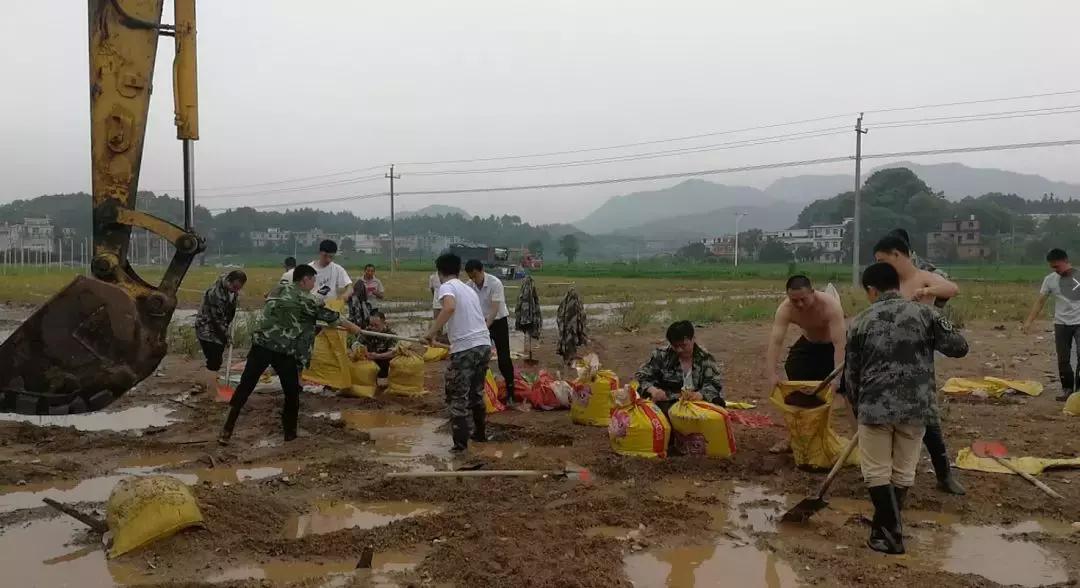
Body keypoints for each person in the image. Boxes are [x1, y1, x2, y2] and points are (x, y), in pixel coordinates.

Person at [844, 262, 968, 555]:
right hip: (917, 407)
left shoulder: (860, 322)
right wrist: (938, 315)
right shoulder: (926, 314)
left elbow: (851, 375)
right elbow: (959, 347)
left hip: (874, 406)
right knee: (902, 470)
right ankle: (885, 531)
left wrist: (858, 406)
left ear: (871, 290)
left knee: (876, 471)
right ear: (897, 286)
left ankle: (890, 533)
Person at [219, 264, 362, 445]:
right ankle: (290, 435)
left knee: (245, 387)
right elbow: (332, 317)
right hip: (283, 351)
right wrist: (354, 328)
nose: (314, 284)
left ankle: (226, 430)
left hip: (261, 345)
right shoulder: (306, 299)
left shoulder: (278, 289)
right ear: (305, 280)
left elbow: (272, 301)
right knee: (292, 393)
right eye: (313, 280)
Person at [873, 234, 966, 495]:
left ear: (897, 255)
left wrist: (926, 292)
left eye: (883, 260)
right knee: (886, 412)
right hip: (887, 354)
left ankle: (944, 475)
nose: (881, 265)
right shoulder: (886, 282)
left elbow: (952, 289)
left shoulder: (922, 277)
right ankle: (886, 474)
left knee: (926, 414)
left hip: (917, 357)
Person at [423, 253, 492, 452]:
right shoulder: (468, 289)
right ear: (459, 270)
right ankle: (479, 434)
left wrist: (430, 333)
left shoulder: (446, 287)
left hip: (466, 349)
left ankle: (460, 445)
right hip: (483, 344)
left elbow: (450, 308)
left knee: (457, 396)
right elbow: (465, 319)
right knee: (476, 393)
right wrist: (439, 337)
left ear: (439, 272)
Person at [1022, 248, 1080, 401]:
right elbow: (1040, 301)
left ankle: (1078, 392)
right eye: (1052, 267)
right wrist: (1029, 321)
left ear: (1066, 261)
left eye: (1057, 267)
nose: (1055, 270)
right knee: (1063, 359)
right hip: (1061, 324)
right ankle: (1067, 389)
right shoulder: (1050, 280)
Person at [635, 321, 725, 416]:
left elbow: (714, 383)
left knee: (718, 405)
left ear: (693, 339)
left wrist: (700, 394)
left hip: (696, 403)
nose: (679, 350)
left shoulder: (705, 358)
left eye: (683, 345)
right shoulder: (661, 355)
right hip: (668, 401)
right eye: (675, 346)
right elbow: (643, 376)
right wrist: (654, 391)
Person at [464, 259, 517, 406]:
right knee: (479, 358)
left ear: (481, 271)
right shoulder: (469, 286)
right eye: (470, 277)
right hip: (480, 323)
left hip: (498, 322)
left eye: (475, 275)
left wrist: (485, 326)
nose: (473, 279)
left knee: (504, 358)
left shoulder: (495, 283)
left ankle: (511, 392)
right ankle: (479, 393)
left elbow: (494, 309)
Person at [194, 270, 247, 392]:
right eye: (234, 287)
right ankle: (211, 389)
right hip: (207, 328)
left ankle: (203, 383)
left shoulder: (230, 288)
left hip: (219, 327)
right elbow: (217, 319)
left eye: (238, 288)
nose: (236, 291)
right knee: (214, 359)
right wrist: (227, 337)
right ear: (228, 281)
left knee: (215, 358)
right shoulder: (215, 294)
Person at [360, 311, 396, 379]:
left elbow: (393, 353)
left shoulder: (391, 334)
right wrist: (364, 352)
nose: (373, 328)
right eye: (371, 325)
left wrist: (377, 356)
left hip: (383, 362)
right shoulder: (367, 331)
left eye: (376, 325)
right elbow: (357, 344)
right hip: (368, 361)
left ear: (384, 323)